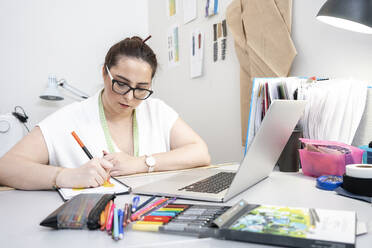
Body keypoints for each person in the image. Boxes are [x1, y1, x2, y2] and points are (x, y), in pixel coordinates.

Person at [0, 36, 211, 190]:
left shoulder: (156, 110)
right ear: (104, 73)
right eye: (121, 84)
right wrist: (64, 176)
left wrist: (142, 163)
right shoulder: (68, 119)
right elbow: (6, 167)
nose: (129, 97)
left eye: (141, 88)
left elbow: (200, 153)